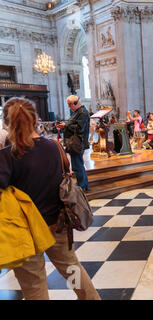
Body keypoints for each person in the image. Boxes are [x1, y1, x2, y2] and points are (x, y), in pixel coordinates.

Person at [0, 97, 99, 300]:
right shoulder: (54, 147)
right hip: (57, 225)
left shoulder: (6, 157)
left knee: (35, 286)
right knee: (72, 271)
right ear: (37, 120)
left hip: (27, 233)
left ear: (6, 123)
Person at [57, 95, 90, 192]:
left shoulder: (82, 113)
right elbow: (74, 125)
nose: (69, 106)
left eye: (70, 104)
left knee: (77, 165)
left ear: (75, 103)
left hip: (77, 142)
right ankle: (84, 184)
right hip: (74, 141)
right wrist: (65, 125)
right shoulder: (77, 112)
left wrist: (65, 125)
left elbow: (80, 128)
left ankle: (82, 186)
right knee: (78, 164)